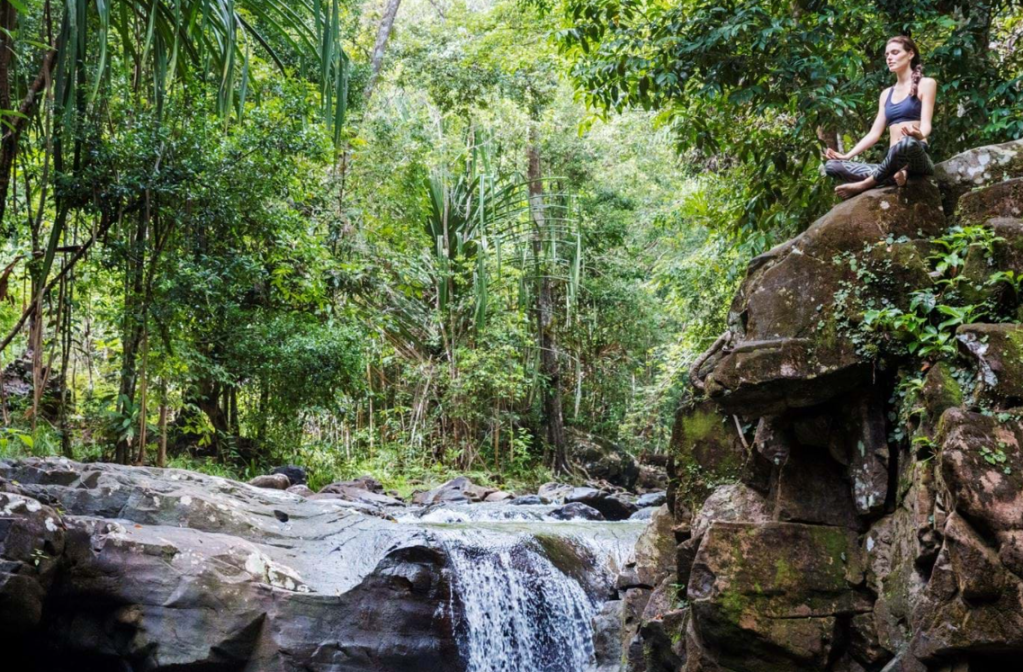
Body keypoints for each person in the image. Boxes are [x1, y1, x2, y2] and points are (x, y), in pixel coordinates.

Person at [823, 36, 937, 199]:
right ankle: (896, 176)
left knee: (906, 143)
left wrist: (919, 134)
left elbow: (926, 124)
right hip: (893, 161)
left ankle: (866, 184)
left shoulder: (926, 84)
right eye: (887, 55)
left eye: (895, 52)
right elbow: (874, 134)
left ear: (910, 54)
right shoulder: (886, 94)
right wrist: (847, 155)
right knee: (832, 166)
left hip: (915, 156)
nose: (889, 58)